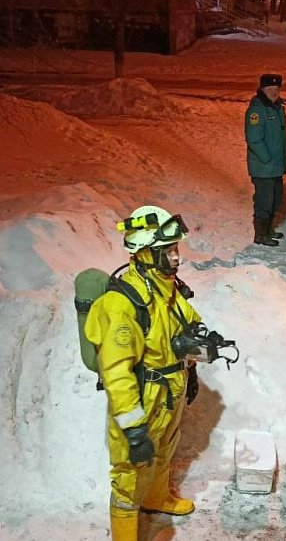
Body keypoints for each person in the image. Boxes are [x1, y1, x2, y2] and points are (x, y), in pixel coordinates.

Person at [85, 205, 208, 541]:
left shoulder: (166, 286)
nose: (176, 258)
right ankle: (125, 533)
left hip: (169, 390)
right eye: (167, 251)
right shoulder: (122, 303)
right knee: (129, 471)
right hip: (143, 394)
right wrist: (134, 428)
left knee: (166, 447)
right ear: (144, 254)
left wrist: (192, 365)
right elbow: (116, 372)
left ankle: (156, 498)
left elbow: (185, 325)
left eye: (176, 249)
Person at [245, 73, 286, 247]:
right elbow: (254, 139)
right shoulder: (257, 110)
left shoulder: (278, 108)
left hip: (276, 165)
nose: (274, 92)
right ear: (262, 89)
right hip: (264, 167)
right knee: (264, 201)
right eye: (270, 89)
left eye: (276, 89)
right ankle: (260, 234)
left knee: (276, 199)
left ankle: (268, 229)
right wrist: (267, 158)